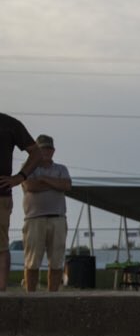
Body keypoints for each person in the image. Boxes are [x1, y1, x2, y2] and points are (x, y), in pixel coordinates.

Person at [21, 135, 71, 292]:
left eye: (49, 148)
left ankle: (53, 297)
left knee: (56, 261)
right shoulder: (27, 167)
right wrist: (55, 184)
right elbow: (30, 186)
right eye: (43, 148)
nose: (46, 151)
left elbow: (67, 185)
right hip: (34, 220)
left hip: (58, 219)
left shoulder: (61, 168)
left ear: (53, 151)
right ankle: (31, 297)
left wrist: (43, 179)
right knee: (32, 261)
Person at [1, 113, 44, 292]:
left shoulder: (9, 124)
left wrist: (19, 177)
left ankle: (1, 292)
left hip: (0, 195)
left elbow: (36, 152)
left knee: (1, 245)